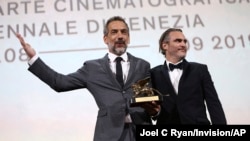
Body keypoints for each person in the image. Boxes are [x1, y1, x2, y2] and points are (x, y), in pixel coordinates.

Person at [16, 16, 159, 141]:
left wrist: (155, 112)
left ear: (129, 38)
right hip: (108, 135)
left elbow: (148, 101)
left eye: (124, 32)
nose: (120, 36)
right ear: (105, 39)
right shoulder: (92, 68)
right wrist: (34, 58)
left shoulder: (143, 66)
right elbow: (59, 83)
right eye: (114, 32)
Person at [150, 28, 227, 124]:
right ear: (165, 45)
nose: (183, 44)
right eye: (178, 41)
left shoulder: (200, 70)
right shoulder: (153, 73)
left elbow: (213, 104)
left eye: (184, 41)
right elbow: (152, 109)